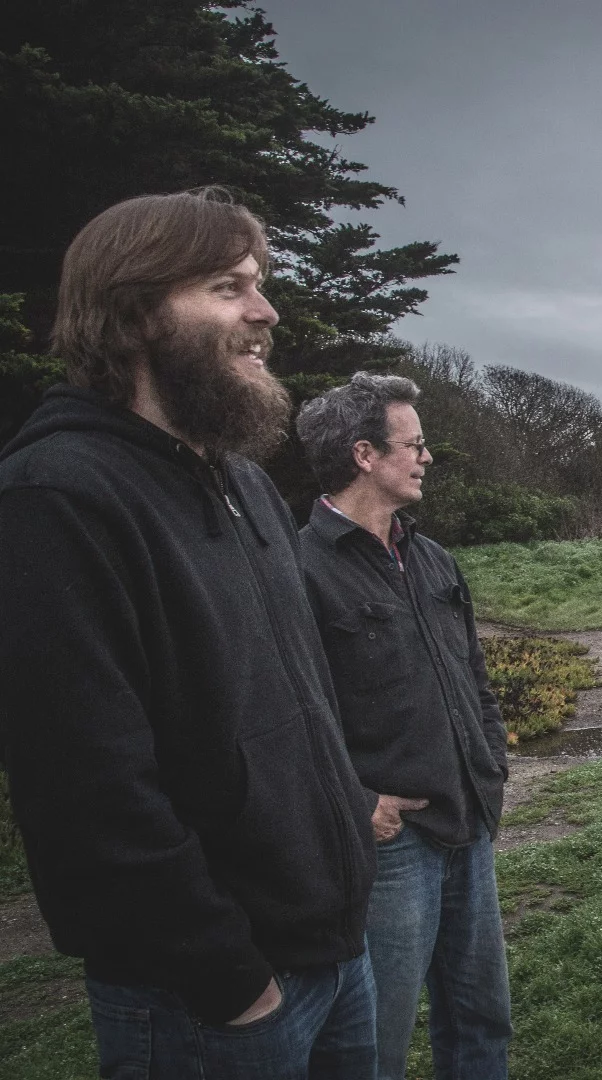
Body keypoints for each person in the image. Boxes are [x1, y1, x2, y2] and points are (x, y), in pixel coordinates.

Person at [0, 189, 379, 1079]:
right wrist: (229, 979)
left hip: (333, 952)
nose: (265, 311)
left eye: (260, 283)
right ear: (134, 313)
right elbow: (87, 790)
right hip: (211, 999)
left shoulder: (243, 484)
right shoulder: (55, 498)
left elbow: (292, 699)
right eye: (226, 287)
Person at [295, 373, 512, 1080]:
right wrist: (360, 804)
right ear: (364, 455)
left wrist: (490, 762)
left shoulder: (432, 556)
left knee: (482, 1020)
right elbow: (291, 716)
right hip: (390, 845)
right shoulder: (300, 570)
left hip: (468, 822)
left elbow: (474, 674)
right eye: (413, 445)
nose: (426, 457)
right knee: (374, 1042)